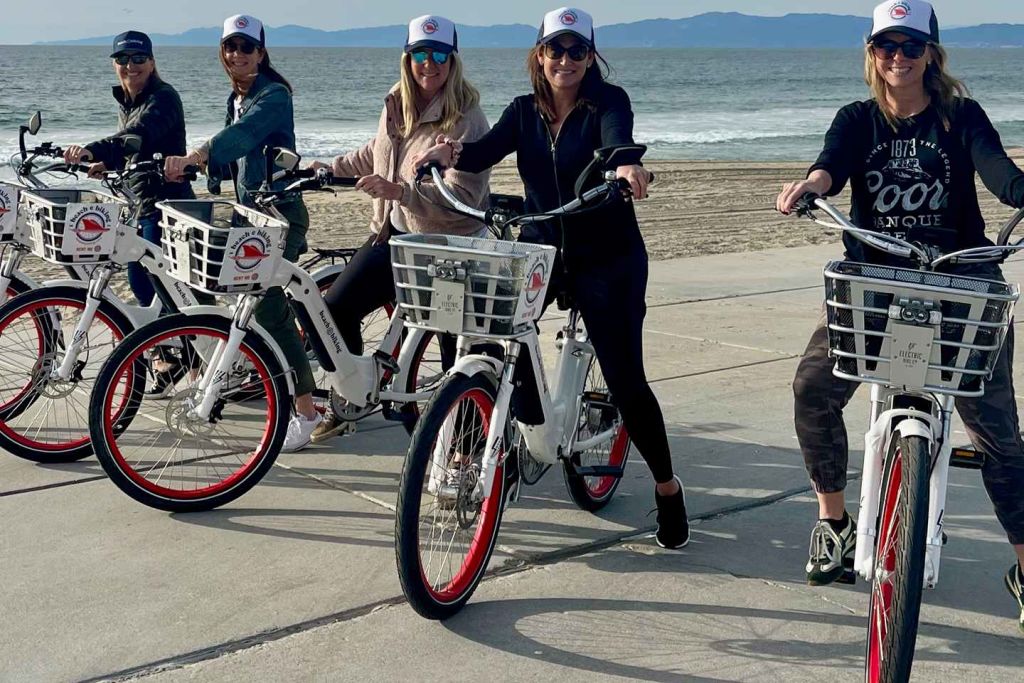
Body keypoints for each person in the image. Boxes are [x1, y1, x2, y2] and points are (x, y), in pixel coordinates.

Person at [776, 0, 1024, 632]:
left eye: (912, 46)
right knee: (812, 388)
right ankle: (834, 522)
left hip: (961, 278)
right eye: (887, 45)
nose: (899, 57)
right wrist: (812, 185)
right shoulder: (858, 119)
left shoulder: (960, 115)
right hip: (875, 280)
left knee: (997, 433)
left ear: (931, 54)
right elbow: (831, 163)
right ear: (872, 53)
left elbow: (998, 170)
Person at [412, 7, 689, 549]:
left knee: (625, 380)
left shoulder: (608, 102)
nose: (565, 60)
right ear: (539, 55)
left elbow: (617, 141)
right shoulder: (523, 111)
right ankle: (490, 444)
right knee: (493, 337)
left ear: (590, 56)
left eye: (576, 50)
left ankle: (667, 488)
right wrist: (447, 152)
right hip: (542, 249)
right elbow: (481, 153)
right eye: (555, 49)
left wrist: (626, 167)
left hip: (608, 256)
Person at [307, 15, 491, 443]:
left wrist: (402, 192)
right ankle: (352, 396)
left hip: (448, 249)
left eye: (440, 54)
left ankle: (466, 446)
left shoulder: (466, 117)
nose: (430, 64)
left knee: (455, 351)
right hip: (394, 235)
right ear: (407, 59)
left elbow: (464, 199)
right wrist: (329, 168)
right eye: (420, 53)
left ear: (453, 60)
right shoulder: (397, 101)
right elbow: (378, 151)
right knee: (333, 310)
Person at [164, 14, 320, 452]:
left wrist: (198, 155)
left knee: (267, 305)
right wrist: (205, 175)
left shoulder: (274, 95)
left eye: (246, 47)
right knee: (234, 293)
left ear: (261, 52)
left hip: (281, 214)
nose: (237, 54)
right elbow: (234, 152)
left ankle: (306, 410)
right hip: (252, 215)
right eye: (230, 46)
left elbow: (243, 136)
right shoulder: (237, 96)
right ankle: (247, 371)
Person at [63, 30, 194, 308]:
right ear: (114, 64)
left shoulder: (164, 97)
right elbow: (135, 149)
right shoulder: (128, 101)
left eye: (139, 58)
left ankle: (187, 334)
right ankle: (166, 336)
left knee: (163, 290)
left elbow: (140, 134)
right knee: (142, 287)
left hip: (166, 206)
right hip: (139, 205)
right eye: (122, 59)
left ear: (152, 62)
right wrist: (107, 163)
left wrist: (91, 150)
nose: (130, 65)